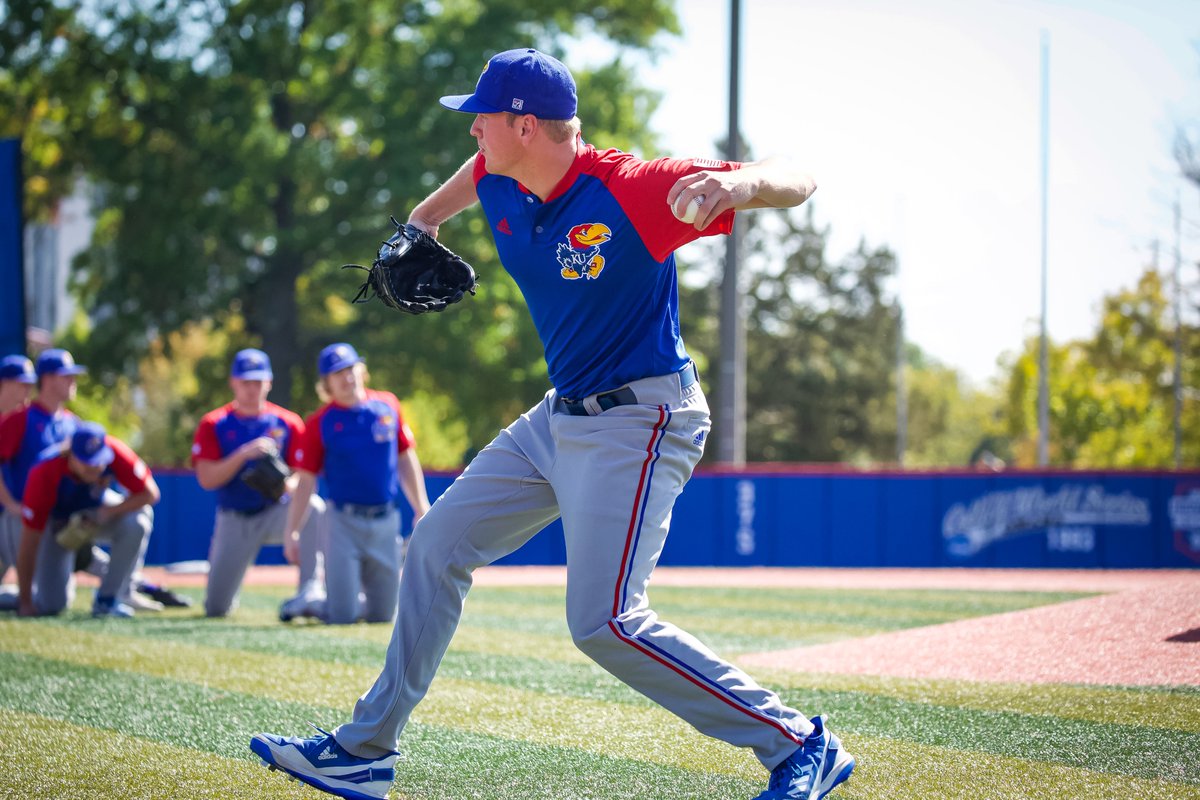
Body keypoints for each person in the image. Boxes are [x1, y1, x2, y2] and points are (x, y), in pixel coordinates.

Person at [252, 48, 853, 800]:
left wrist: (740, 182)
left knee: (604, 621)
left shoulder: (632, 188)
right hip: (557, 415)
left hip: (641, 416)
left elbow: (800, 175)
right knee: (435, 545)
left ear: (526, 125)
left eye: (482, 116)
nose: (472, 129)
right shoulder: (498, 174)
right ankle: (364, 750)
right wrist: (422, 221)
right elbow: (463, 184)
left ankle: (798, 741)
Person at [282, 343, 430, 625]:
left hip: (385, 519)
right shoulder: (319, 423)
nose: (347, 378)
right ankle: (312, 601)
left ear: (361, 370)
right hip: (342, 523)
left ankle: (323, 600)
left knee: (383, 615)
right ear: (326, 383)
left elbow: (406, 457)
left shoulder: (387, 404)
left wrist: (421, 506)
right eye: (337, 373)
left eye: (350, 369)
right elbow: (305, 482)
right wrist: (292, 531)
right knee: (343, 615)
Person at [191, 348, 327, 620]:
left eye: (258, 381)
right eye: (246, 382)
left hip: (276, 511)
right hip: (235, 518)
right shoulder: (215, 423)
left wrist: (287, 483)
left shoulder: (287, 422)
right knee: (216, 608)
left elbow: (304, 475)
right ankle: (226, 595)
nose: (252, 388)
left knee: (313, 506)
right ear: (233, 383)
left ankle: (308, 592)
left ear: (269, 382)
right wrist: (244, 454)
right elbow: (206, 479)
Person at [16, 421, 158, 617]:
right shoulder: (45, 470)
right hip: (57, 527)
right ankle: (15, 595)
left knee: (140, 518)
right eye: (87, 461)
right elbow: (29, 541)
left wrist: (106, 513)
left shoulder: (115, 451)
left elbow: (150, 494)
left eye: (99, 460)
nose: (95, 467)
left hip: (97, 513)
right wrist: (25, 602)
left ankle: (108, 599)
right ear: (70, 455)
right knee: (50, 605)